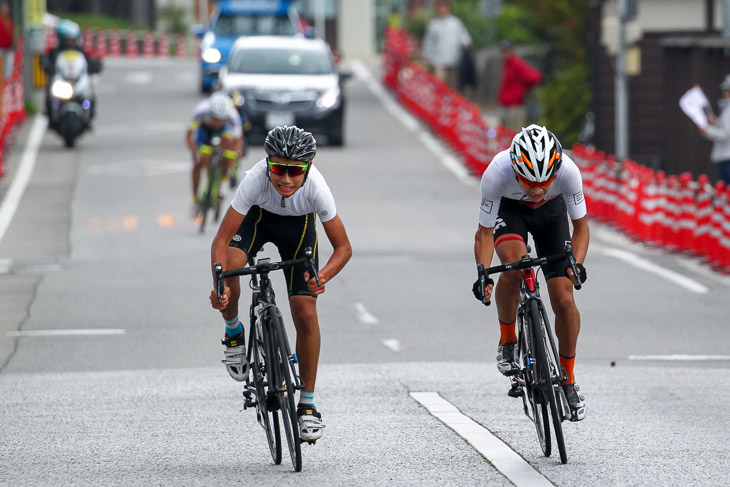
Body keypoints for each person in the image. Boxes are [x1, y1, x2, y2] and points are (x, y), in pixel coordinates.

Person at [209, 125, 352, 442]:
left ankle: (308, 405)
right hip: (257, 220)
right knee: (231, 273)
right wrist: (219, 282)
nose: (285, 180)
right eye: (278, 169)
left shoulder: (316, 188)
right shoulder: (255, 180)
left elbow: (344, 248)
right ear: (267, 164)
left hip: (297, 230)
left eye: (294, 171)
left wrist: (323, 276)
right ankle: (234, 333)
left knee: (305, 312)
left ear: (308, 168)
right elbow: (220, 240)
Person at [473, 124, 589, 422]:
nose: (537, 190)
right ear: (515, 170)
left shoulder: (569, 172)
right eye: (528, 182)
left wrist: (576, 263)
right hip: (512, 212)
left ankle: (568, 380)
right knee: (515, 267)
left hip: (552, 215)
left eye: (544, 182)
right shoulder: (497, 173)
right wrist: (483, 273)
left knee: (564, 300)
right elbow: (484, 234)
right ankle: (509, 340)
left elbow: (581, 228)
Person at [185, 91, 243, 210]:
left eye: (221, 119)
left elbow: (238, 140)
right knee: (198, 162)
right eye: (215, 118)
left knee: (228, 151)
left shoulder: (233, 115)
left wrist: (235, 155)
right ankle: (195, 198)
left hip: (223, 132)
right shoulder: (201, 111)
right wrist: (194, 152)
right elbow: (190, 135)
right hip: (205, 130)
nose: (217, 122)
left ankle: (224, 181)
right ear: (210, 113)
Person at [421, 0, 471, 90]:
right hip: (439, 62)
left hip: (453, 61)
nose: (442, 9)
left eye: (445, 7)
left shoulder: (456, 23)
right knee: (439, 85)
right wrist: (428, 57)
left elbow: (464, 37)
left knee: (452, 87)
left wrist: (467, 43)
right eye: (441, 7)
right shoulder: (434, 24)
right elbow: (428, 43)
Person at [497, 40, 543, 132]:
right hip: (506, 106)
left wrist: (525, 88)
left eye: (507, 50)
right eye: (503, 51)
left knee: (513, 136)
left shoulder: (517, 64)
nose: (505, 53)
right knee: (505, 136)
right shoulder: (507, 64)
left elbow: (536, 77)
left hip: (515, 107)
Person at [699, 74, 730, 185]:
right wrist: (715, 122)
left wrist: (707, 130)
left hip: (727, 157)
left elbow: (725, 134)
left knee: (726, 191)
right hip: (726, 156)